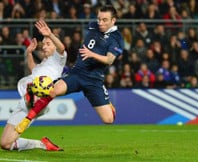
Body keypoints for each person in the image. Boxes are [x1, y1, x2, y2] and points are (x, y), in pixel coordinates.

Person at [15, 5, 124, 135]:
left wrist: (91, 54)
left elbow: (109, 60)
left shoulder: (117, 39)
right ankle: (27, 120)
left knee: (108, 119)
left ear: (113, 20)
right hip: (77, 73)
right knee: (51, 91)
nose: (100, 23)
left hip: (94, 80)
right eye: (99, 19)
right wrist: (49, 34)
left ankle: (108, 104)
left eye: (104, 20)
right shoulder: (93, 25)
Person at [0, 19, 67, 151]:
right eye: (44, 44)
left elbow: (62, 48)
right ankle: (42, 144)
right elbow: (33, 69)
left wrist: (50, 34)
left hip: (36, 101)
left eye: (48, 44)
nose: (44, 46)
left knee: (7, 143)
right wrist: (29, 53)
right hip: (24, 101)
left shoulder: (58, 60)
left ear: (54, 46)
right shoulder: (44, 64)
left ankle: (32, 99)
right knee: (5, 144)